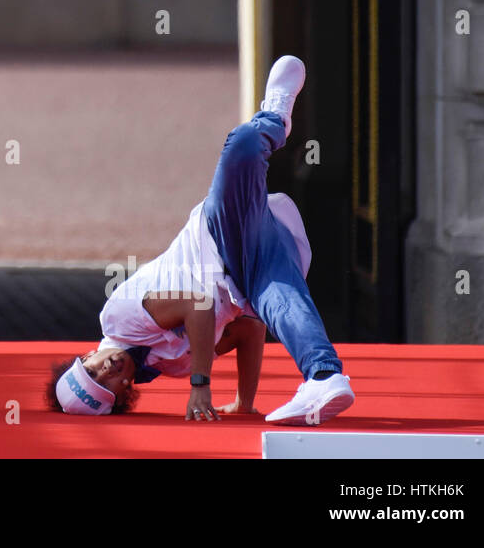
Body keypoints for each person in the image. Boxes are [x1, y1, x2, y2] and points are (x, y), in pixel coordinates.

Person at [49, 56, 354, 425]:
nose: (107, 370)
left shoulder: (118, 318)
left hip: (219, 235)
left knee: (242, 145)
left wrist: (201, 383)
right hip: (248, 278)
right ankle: (323, 375)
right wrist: (244, 401)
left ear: (85, 357)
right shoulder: (171, 364)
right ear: (125, 390)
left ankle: (275, 116)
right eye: (108, 383)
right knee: (278, 307)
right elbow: (248, 331)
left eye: (92, 370)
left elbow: (198, 304)